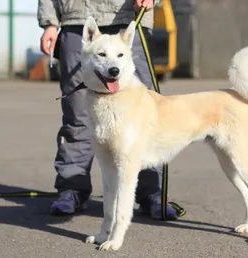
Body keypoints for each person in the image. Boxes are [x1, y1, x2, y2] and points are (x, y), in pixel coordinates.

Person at [37, 0, 178, 220]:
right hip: (77, 20)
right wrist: (49, 24)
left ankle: (153, 193)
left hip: (127, 18)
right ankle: (72, 190)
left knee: (146, 117)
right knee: (77, 118)